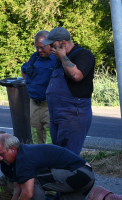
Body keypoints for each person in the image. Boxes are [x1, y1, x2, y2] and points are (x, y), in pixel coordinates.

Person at [0, 134, 112, 200]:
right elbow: (18, 190)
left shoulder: (24, 158)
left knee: (34, 182)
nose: (0, 159)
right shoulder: (20, 158)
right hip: (85, 178)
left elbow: (27, 194)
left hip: (78, 175)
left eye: (2, 154)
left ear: (12, 149)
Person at [41, 27, 95, 156]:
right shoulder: (59, 59)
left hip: (73, 114)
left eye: (53, 45)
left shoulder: (83, 55)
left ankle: (72, 175)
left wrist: (63, 57)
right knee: (58, 154)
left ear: (63, 43)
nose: (51, 49)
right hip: (57, 115)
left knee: (69, 156)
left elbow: (76, 75)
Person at [21, 31, 58, 144]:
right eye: (37, 47)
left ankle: (49, 159)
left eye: (42, 47)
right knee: (35, 133)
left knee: (50, 135)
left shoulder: (57, 59)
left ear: (50, 44)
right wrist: (30, 84)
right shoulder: (35, 57)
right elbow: (24, 70)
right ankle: (37, 158)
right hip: (34, 103)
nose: (39, 50)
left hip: (49, 103)